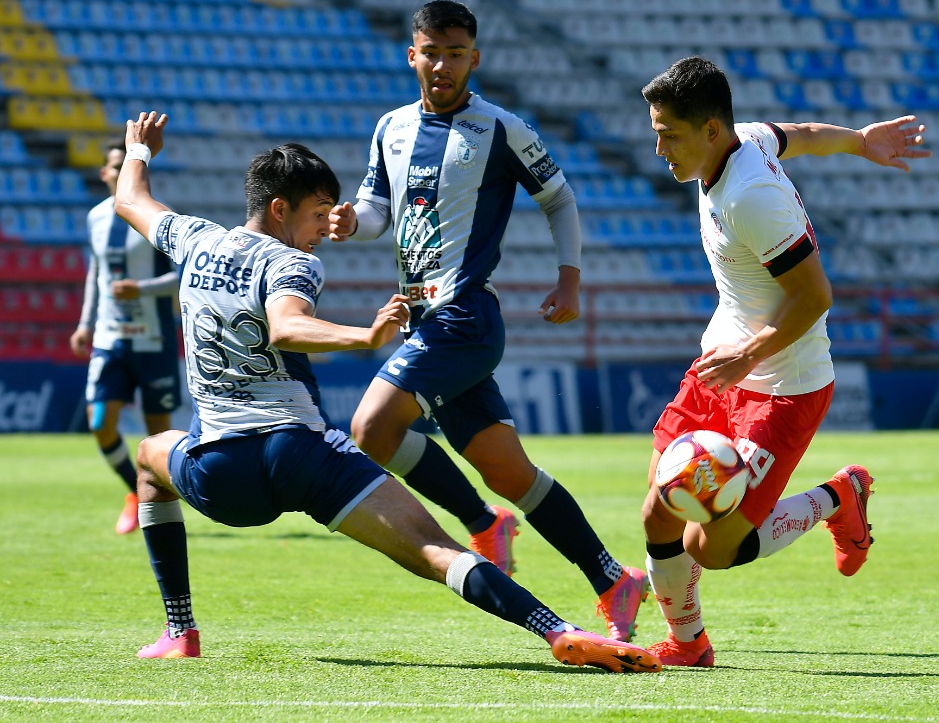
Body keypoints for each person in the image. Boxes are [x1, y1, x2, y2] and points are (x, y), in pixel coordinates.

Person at [112, 111, 659, 674]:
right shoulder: (291, 262)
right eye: (317, 215)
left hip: (221, 473)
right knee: (435, 547)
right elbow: (287, 326)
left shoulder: (194, 240)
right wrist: (363, 335)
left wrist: (140, 151)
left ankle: (180, 630)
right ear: (280, 210)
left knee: (152, 459)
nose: (324, 229)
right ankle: (557, 630)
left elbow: (130, 200)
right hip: (300, 455)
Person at [327, 0, 648, 642]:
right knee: (510, 473)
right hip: (423, 323)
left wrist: (570, 277)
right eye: (431, 51)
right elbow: (376, 208)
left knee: (370, 428)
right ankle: (612, 577)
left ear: (474, 57)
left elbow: (559, 198)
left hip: (464, 317)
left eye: (455, 52)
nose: (442, 64)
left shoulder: (501, 128)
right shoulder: (389, 127)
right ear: (411, 55)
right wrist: (349, 223)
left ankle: (477, 519)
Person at [636, 57, 930, 666]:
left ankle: (838, 496)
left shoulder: (752, 197)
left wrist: (750, 352)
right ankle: (689, 645)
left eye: (668, 133)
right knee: (659, 506)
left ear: (712, 130)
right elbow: (803, 135)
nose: (658, 145)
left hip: (783, 384)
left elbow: (815, 296)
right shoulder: (736, 146)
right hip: (724, 364)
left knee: (712, 547)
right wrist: (860, 142)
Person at [69, 140, 181, 535]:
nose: (121, 173)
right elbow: (94, 276)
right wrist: (85, 324)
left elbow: (182, 278)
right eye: (115, 167)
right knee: (100, 421)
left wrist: (143, 289)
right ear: (104, 174)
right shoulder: (95, 217)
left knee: (156, 436)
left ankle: (160, 507)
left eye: (129, 166)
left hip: (154, 340)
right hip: (110, 337)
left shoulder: (160, 217)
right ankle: (134, 491)